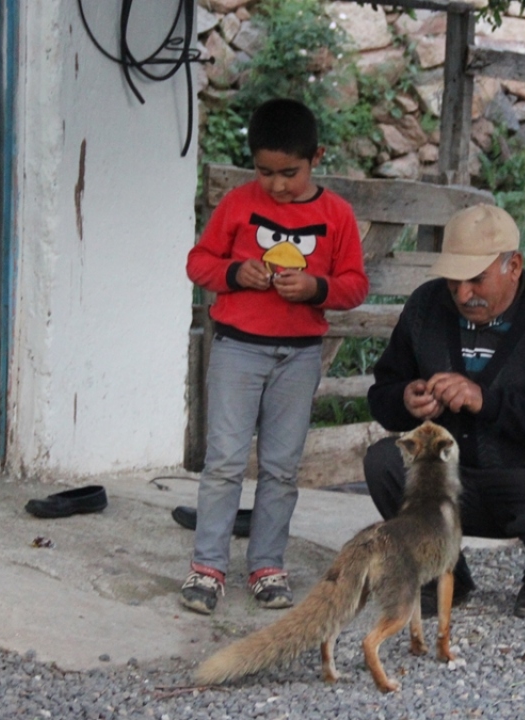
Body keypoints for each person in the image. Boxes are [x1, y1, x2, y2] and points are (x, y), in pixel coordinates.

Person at [363, 204, 525, 619]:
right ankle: (443, 573)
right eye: (454, 282)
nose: (463, 294)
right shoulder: (425, 307)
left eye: (476, 280)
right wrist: (406, 398)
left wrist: (486, 401)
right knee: (384, 462)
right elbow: (383, 391)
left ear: (514, 266)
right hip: (450, 474)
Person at [182, 98, 369, 615]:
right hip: (237, 349)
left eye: (290, 172)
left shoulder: (337, 215)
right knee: (222, 462)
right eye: (264, 172)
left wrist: (315, 287)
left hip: (300, 357)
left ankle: (267, 565)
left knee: (282, 468)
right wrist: (234, 273)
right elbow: (199, 262)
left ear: (317, 158)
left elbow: (354, 286)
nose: (277, 185)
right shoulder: (238, 205)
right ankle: (207, 568)